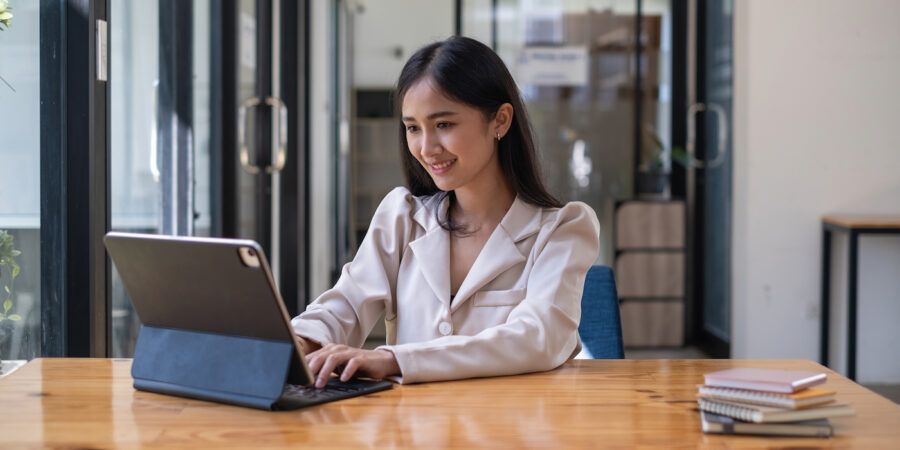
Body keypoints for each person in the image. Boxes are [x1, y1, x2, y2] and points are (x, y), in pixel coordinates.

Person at [291, 36, 600, 387]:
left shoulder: (562, 228)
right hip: (412, 434)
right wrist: (299, 341)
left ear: (500, 120)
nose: (426, 148)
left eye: (444, 125)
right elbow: (346, 303)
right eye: (412, 128)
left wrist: (393, 359)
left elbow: (538, 338)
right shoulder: (403, 215)